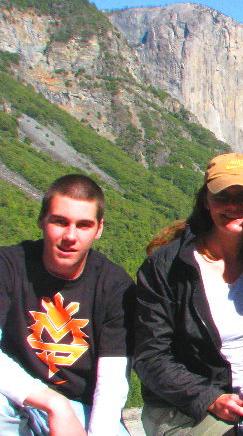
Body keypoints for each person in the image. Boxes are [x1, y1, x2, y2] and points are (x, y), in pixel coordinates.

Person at [134, 153, 243, 435]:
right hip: (183, 410)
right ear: (206, 200)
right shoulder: (168, 266)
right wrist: (209, 398)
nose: (234, 206)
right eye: (222, 196)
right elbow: (150, 356)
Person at [0, 174, 134, 435]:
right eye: (60, 222)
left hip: (81, 409)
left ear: (99, 229)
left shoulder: (116, 286)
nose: (70, 236)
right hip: (14, 397)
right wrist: (52, 403)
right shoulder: (8, 266)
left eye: (83, 225)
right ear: (42, 220)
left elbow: (112, 382)